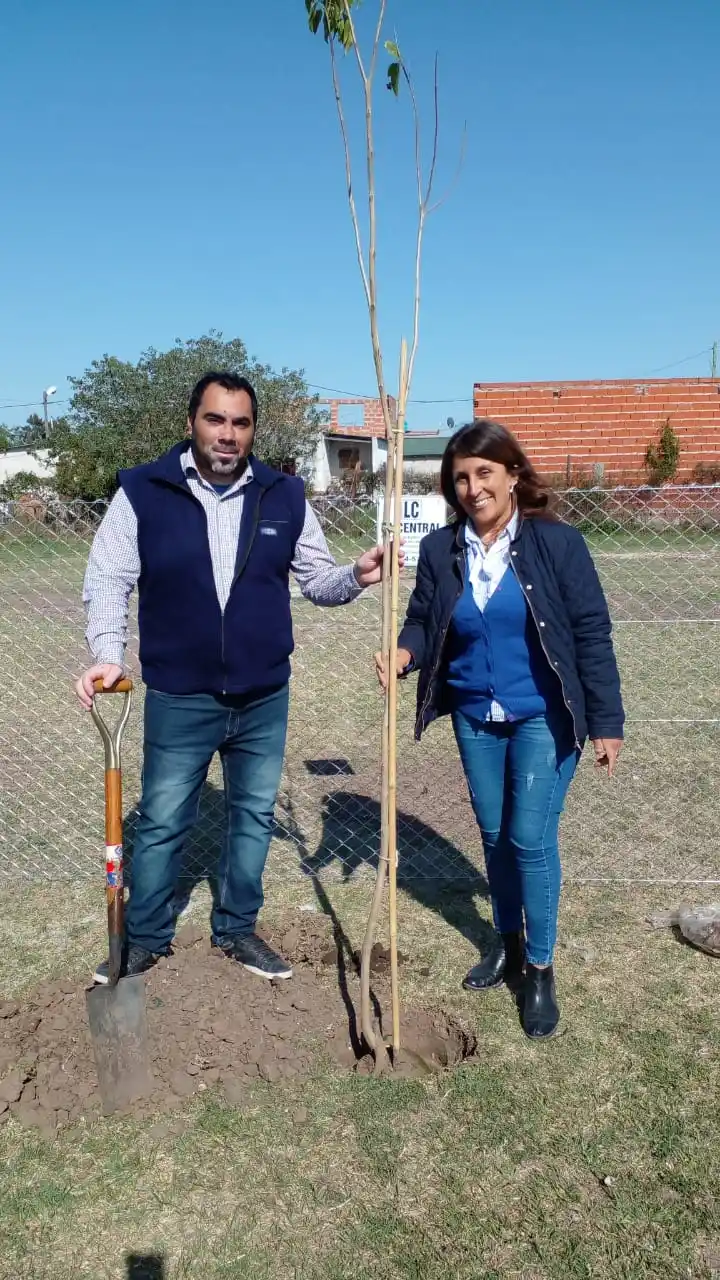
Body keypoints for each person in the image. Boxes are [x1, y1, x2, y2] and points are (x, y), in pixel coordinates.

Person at [76, 371, 400, 985]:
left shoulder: (284, 495)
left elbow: (317, 581)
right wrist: (108, 654)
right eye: (215, 419)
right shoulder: (143, 491)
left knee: (251, 817)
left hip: (263, 696)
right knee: (163, 819)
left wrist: (356, 575)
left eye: (241, 422)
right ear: (191, 422)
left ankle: (237, 928)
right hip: (180, 694)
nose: (228, 434)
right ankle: (144, 937)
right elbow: (109, 579)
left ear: (253, 430)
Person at [376, 420, 624, 1039]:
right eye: (460, 477)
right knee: (493, 835)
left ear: (513, 474)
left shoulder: (557, 543)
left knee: (528, 838)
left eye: (484, 472)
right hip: (474, 717)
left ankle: (539, 969)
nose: (473, 487)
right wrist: (404, 652)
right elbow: (422, 620)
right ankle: (507, 943)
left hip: (544, 715)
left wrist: (606, 721)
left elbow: (591, 633)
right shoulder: (442, 549)